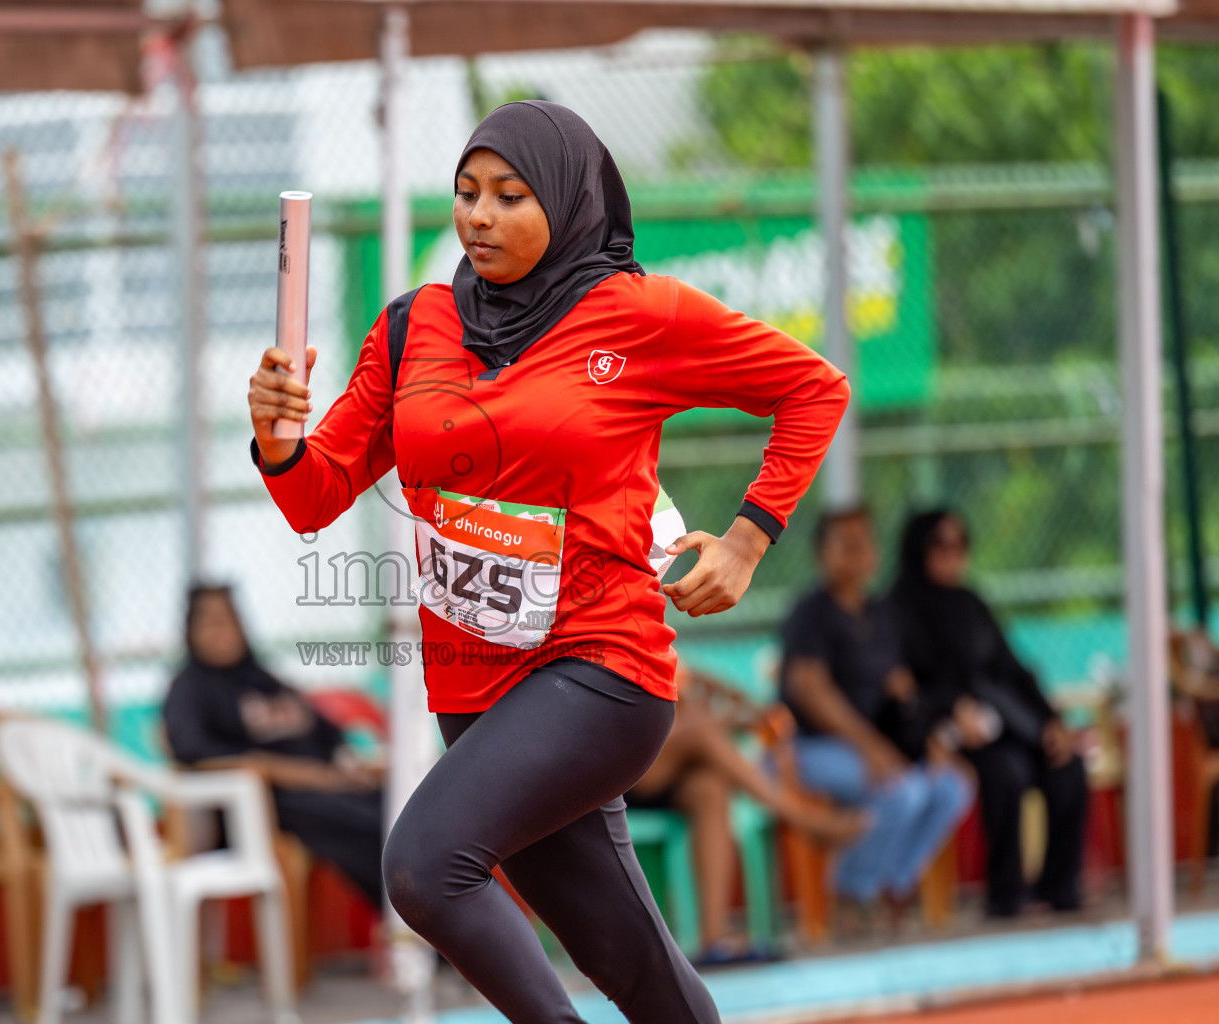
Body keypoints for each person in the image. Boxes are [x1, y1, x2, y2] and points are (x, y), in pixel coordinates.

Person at [247, 100, 849, 1023]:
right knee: (640, 972)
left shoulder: (637, 315)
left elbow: (811, 388)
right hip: (474, 692)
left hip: (600, 669)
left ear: (565, 205)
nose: (478, 216)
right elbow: (315, 496)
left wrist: (748, 538)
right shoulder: (415, 326)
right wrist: (278, 439)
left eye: (509, 195)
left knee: (424, 867)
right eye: (465, 194)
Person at [778, 505, 974, 928]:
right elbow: (810, 691)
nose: (856, 553)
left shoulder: (884, 614)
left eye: (863, 543)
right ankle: (851, 892)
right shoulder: (810, 613)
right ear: (822, 554)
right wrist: (871, 747)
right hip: (813, 749)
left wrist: (929, 738)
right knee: (901, 791)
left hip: (880, 744)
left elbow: (901, 688)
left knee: (951, 787)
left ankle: (892, 887)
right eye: (844, 545)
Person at [892, 509, 1088, 918]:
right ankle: (1006, 894)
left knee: (1067, 769)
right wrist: (947, 710)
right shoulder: (898, 608)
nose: (953, 555)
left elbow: (1013, 669)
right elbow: (903, 685)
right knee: (1007, 773)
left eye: (960, 544)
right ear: (918, 549)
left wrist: (1051, 721)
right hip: (955, 736)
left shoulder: (971, 603)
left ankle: (1059, 886)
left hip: (1011, 725)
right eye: (940, 545)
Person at [626, 662, 866, 966]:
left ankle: (714, 940)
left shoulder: (665, 651)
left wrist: (737, 709)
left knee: (710, 791)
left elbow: (695, 681)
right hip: (621, 771)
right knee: (702, 731)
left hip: (667, 773)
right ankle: (802, 821)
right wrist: (721, 718)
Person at [162, 583, 385, 909]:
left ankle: (434, 927)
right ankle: (416, 931)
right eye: (210, 620)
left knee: (401, 810)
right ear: (191, 630)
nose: (223, 629)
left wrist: (353, 764)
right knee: (373, 828)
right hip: (270, 804)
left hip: (328, 785)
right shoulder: (190, 688)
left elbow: (330, 734)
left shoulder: (263, 679)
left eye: (230, 618)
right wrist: (285, 771)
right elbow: (191, 751)